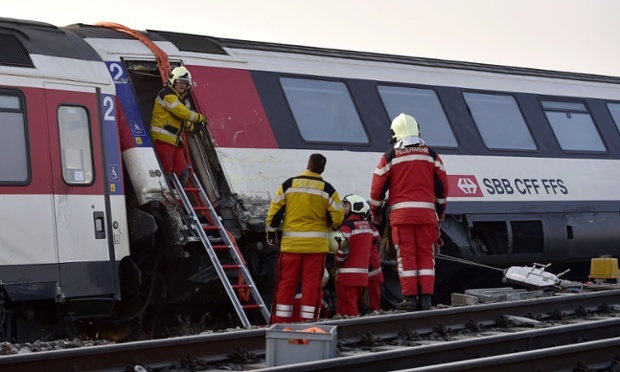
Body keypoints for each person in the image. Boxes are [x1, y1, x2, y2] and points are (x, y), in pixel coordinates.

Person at [369, 113, 449, 311]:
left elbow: (377, 190)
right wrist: (440, 210)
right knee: (425, 256)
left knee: (406, 257)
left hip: (401, 217)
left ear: (394, 134)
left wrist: (375, 213)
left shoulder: (390, 156)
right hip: (427, 217)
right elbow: (442, 188)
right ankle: (426, 299)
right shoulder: (431, 155)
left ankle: (410, 298)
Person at [265, 153, 344, 323]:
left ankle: (280, 321)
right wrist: (328, 225)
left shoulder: (288, 185)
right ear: (322, 169)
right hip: (316, 248)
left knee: (286, 283)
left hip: (290, 246)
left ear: (308, 165)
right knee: (312, 285)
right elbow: (337, 216)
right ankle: (308, 322)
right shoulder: (328, 190)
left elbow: (274, 212)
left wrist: (271, 233)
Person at [150, 66, 208, 186]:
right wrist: (201, 118)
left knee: (182, 172)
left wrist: (193, 128)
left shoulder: (176, 97)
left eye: (185, 83)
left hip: (174, 141)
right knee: (166, 172)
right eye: (180, 81)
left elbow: (180, 120)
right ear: (173, 81)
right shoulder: (168, 95)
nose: (183, 85)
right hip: (163, 139)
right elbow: (183, 113)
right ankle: (167, 201)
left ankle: (178, 202)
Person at [333, 194, 373, 317]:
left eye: (345, 205)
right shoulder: (369, 226)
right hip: (362, 276)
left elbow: (341, 250)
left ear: (354, 207)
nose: (342, 208)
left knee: (348, 309)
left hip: (347, 276)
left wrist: (337, 262)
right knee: (355, 305)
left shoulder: (347, 227)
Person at [367, 223, 384, 313]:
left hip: (370, 269)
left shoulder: (347, 227)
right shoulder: (370, 227)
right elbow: (377, 238)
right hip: (373, 268)